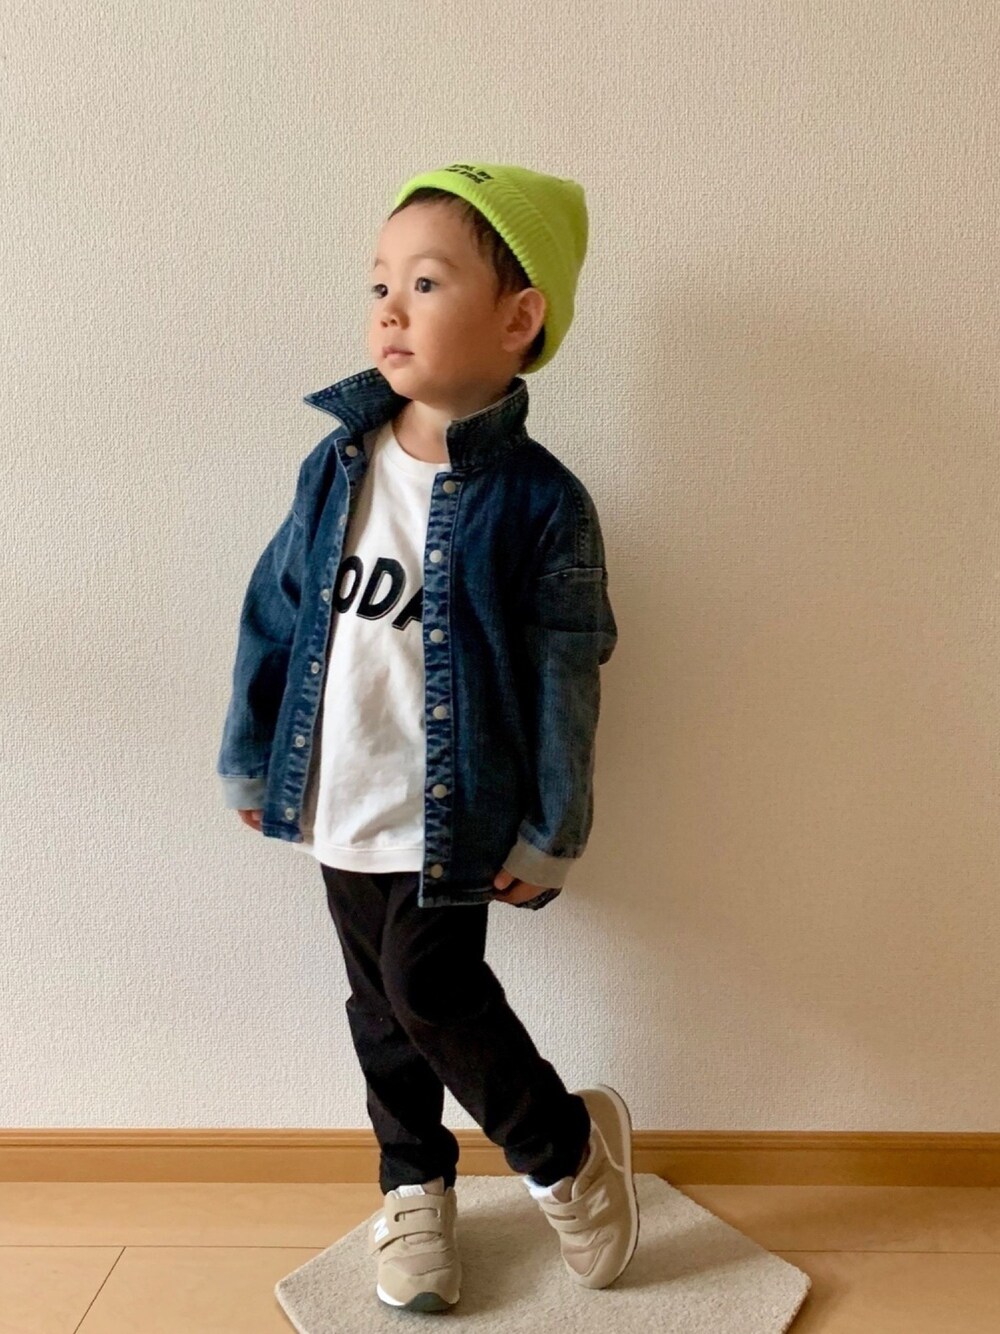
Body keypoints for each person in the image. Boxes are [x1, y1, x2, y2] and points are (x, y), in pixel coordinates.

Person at [216, 162, 638, 1311]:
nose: (389, 308)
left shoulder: (543, 503)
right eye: (379, 284)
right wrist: (253, 754)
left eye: (426, 281)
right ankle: (413, 1184)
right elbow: (274, 610)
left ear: (517, 318)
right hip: (337, 792)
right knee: (378, 1009)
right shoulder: (337, 464)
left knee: (428, 985)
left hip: (452, 813)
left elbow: (565, 676)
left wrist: (552, 829)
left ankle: (563, 1151)